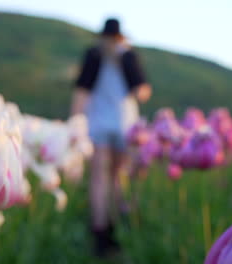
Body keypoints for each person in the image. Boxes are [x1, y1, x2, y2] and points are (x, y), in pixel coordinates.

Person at [71, 18, 151, 257]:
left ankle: (100, 230)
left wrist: (74, 123)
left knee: (99, 176)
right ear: (121, 37)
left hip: (99, 122)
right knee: (117, 175)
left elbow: (82, 91)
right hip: (125, 124)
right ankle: (117, 225)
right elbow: (142, 92)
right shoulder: (128, 55)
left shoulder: (94, 54)